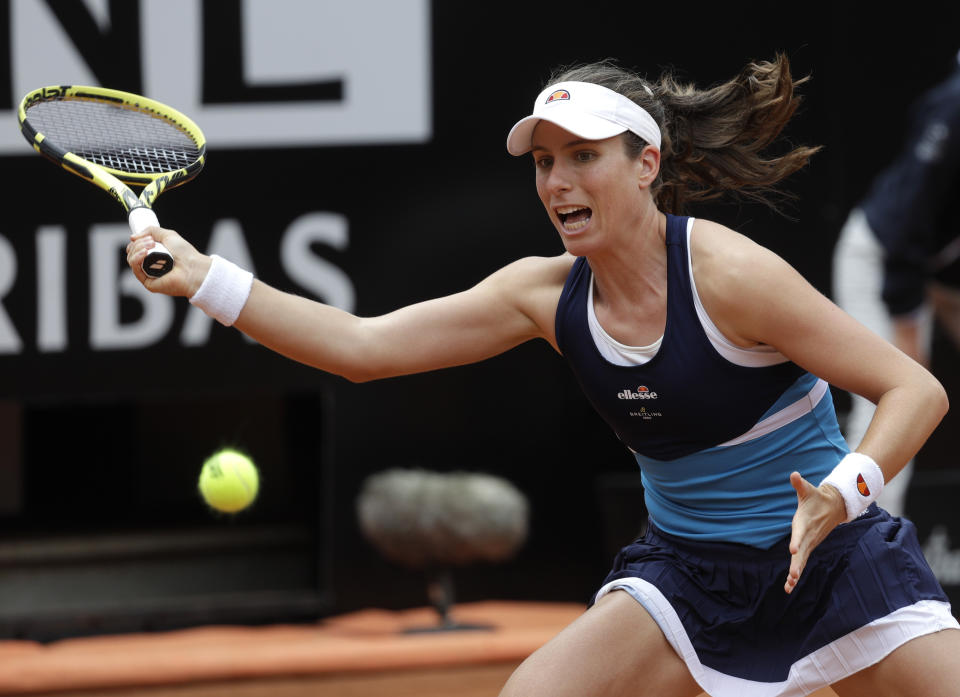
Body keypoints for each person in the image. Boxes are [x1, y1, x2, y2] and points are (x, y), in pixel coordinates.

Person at [127, 55, 960, 697]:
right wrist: (202, 277)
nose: (557, 183)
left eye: (583, 157)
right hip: (688, 575)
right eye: (544, 162)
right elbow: (360, 346)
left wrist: (844, 490)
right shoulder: (540, 294)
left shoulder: (731, 276)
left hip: (837, 564)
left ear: (646, 164)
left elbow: (914, 388)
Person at [833, 52, 960, 518]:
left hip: (942, 269)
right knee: (894, 400)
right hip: (884, 258)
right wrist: (906, 321)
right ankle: (864, 546)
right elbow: (910, 222)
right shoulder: (954, 105)